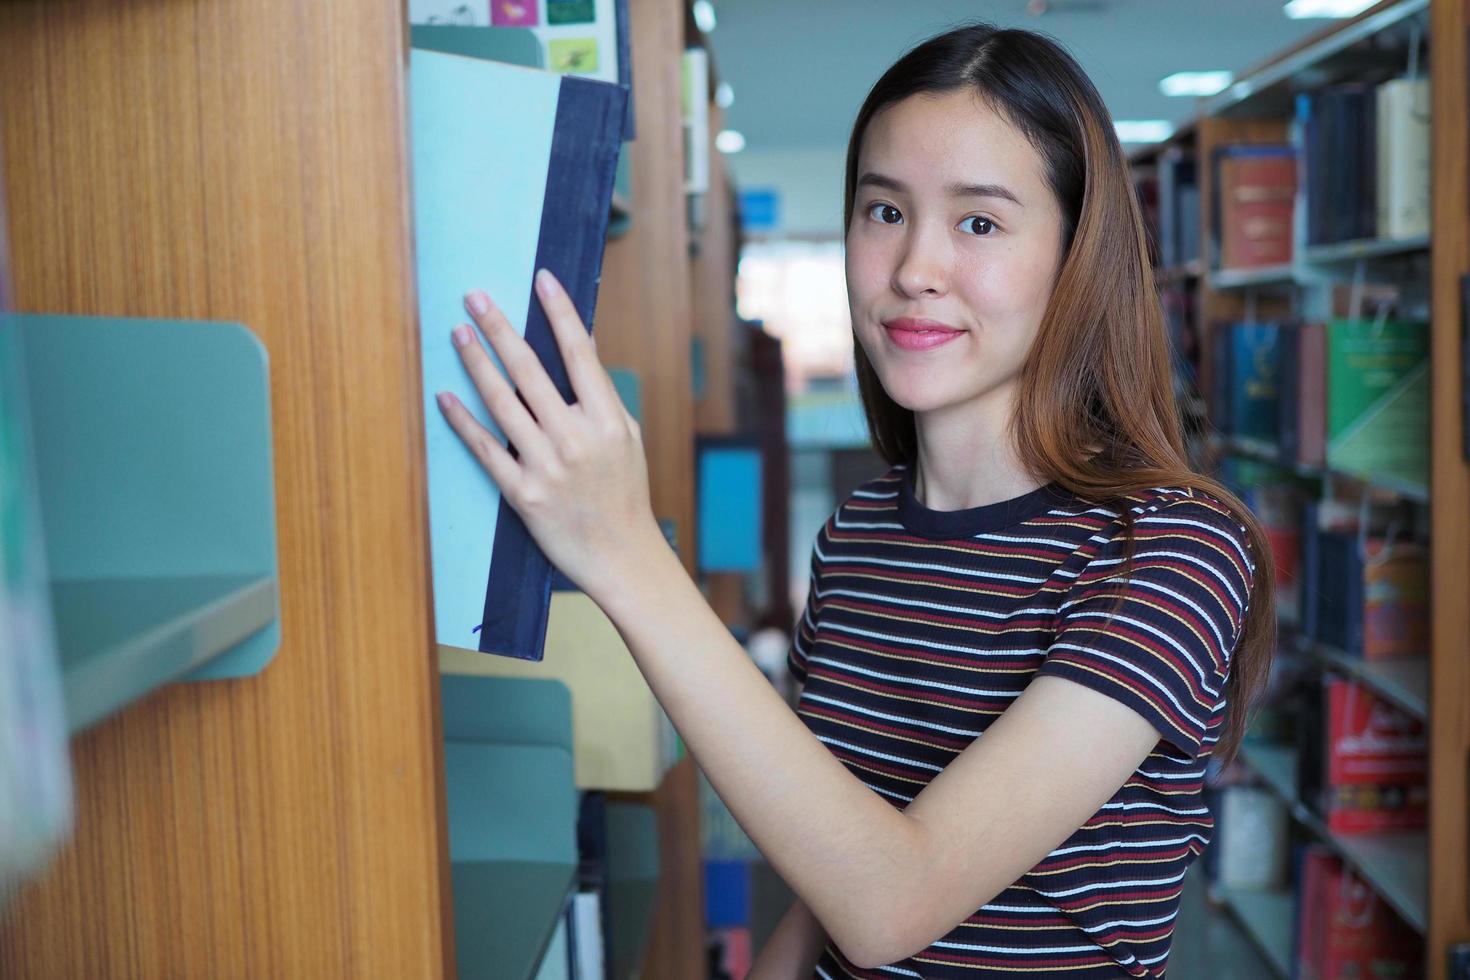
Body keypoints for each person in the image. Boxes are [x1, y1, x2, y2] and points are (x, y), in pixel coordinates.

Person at [434, 21, 1276, 979]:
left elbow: (890, 903)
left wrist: (624, 551)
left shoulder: (1169, 552)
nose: (914, 268)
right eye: (883, 212)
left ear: (1076, 258)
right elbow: (837, 862)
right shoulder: (858, 535)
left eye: (979, 222)